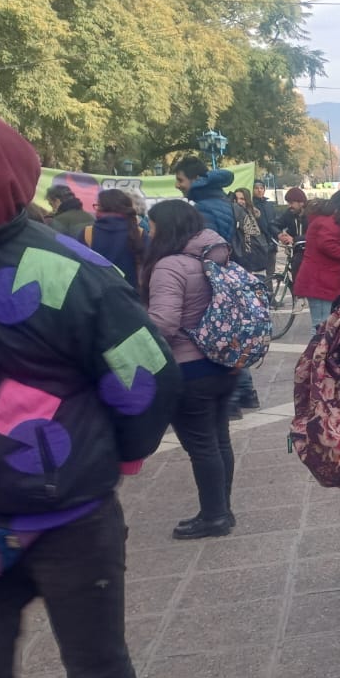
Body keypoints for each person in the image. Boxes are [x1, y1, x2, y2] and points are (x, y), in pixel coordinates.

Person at [0, 115, 179, 678]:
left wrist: (122, 461)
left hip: (71, 517)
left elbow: (146, 373)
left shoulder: (69, 271)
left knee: (96, 666)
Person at [141, 199, 239, 540]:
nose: (146, 228)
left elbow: (164, 323)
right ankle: (223, 510)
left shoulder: (169, 265)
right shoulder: (216, 255)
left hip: (189, 368)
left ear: (165, 227)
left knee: (202, 446)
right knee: (219, 439)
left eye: (150, 223)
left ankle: (214, 516)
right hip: (224, 362)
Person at [174, 157, 259, 414]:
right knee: (230, 334)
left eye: (180, 179)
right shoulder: (223, 201)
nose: (178, 185)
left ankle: (231, 402)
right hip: (232, 273)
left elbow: (205, 247)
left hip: (213, 277)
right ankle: (246, 392)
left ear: (194, 180)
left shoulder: (201, 208)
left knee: (217, 337)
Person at [293, 191, 340, 336]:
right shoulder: (331, 220)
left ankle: (317, 354)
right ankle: (314, 355)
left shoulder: (328, 218)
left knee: (321, 323)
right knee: (320, 324)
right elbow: (326, 244)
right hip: (319, 280)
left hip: (321, 278)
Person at [83, 189, 144, 288]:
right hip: (132, 296)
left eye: (97, 205)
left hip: (97, 296)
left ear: (102, 208)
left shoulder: (87, 233)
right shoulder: (139, 233)